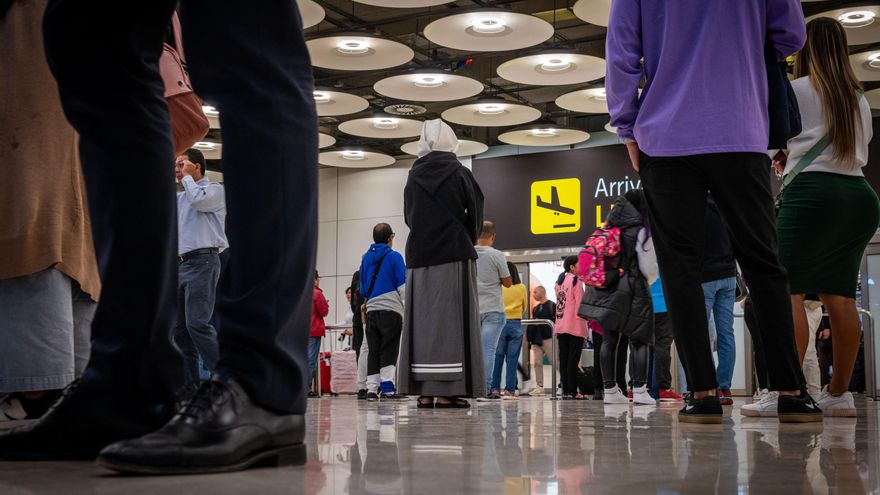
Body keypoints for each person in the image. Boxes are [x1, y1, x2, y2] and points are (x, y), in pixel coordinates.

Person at [0, 0, 318, 473]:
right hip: (190, 262)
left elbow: (208, 206)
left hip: (204, 259)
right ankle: (131, 380)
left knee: (245, 34)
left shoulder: (205, 186)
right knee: (90, 41)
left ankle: (264, 380)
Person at [607, 0, 822, 423]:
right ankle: (790, 389)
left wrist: (626, 126)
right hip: (740, 127)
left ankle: (702, 393)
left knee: (680, 268)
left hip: (664, 137)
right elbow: (791, 34)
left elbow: (621, 54)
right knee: (763, 262)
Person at [755, 17, 879, 418]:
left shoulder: (795, 90)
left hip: (811, 194)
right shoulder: (858, 97)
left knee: (786, 290)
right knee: (839, 296)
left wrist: (781, 156)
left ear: (803, 49)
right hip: (858, 196)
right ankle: (839, 394)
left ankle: (786, 389)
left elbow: (773, 140)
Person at [0, 0, 98, 422]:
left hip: (27, 47)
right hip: (76, 58)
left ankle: (35, 389)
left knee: (30, 217)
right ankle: (56, 388)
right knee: (59, 226)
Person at [397, 119, 486, 409]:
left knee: (421, 323)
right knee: (454, 321)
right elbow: (475, 213)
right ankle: (450, 390)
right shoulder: (460, 172)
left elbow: (409, 217)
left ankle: (423, 390)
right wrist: (465, 237)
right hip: (453, 254)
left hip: (419, 258)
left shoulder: (413, 175)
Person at [580, 192, 655, 406]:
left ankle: (610, 390)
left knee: (609, 341)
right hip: (634, 291)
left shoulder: (606, 227)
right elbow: (649, 268)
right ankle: (640, 390)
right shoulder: (641, 230)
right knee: (639, 340)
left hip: (606, 291)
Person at [173, 148, 228, 385]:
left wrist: (186, 178)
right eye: (175, 166)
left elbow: (200, 202)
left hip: (204, 260)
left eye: (182, 164)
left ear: (197, 166)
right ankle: (189, 386)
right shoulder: (179, 198)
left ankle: (226, 377)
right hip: (179, 264)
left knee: (197, 323)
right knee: (180, 331)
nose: (178, 169)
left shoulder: (215, 190)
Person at [359, 223, 407, 401]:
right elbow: (403, 287)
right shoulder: (395, 257)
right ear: (390, 238)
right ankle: (387, 389)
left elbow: (363, 290)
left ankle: (371, 390)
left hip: (371, 310)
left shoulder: (365, 258)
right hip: (391, 310)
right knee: (389, 348)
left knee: (373, 350)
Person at [701, 197, 737, 406]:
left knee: (703, 334)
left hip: (705, 277)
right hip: (729, 276)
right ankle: (724, 387)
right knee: (726, 334)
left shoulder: (696, 211)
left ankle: (707, 387)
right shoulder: (728, 209)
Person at [474, 221, 512, 400]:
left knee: (474, 351)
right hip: (493, 310)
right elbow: (508, 282)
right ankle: (486, 389)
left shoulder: (469, 253)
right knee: (488, 350)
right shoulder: (497, 255)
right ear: (493, 236)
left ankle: (472, 387)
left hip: (474, 310)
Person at [491, 262, 528, 399]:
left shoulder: (498, 287)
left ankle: (494, 389)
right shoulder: (522, 287)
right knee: (512, 360)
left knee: (498, 359)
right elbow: (524, 307)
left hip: (500, 323)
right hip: (516, 324)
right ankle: (510, 391)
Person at [554, 256, 587, 399]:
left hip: (561, 325)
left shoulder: (559, 282)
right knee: (573, 359)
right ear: (572, 267)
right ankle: (573, 391)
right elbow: (581, 304)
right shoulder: (576, 281)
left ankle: (566, 390)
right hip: (574, 324)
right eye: (580, 264)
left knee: (565, 358)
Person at [651, 277, 682, 402]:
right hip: (664, 304)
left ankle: (639, 387)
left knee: (642, 347)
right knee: (663, 346)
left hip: (644, 305)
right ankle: (663, 389)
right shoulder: (667, 257)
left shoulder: (642, 256)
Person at [527, 286, 555, 396]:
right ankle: (540, 386)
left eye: (535, 292)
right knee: (537, 363)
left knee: (555, 362)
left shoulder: (552, 305)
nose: (533, 294)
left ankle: (563, 384)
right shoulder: (535, 308)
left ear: (542, 292)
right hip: (537, 340)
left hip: (549, 338)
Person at [308, 271, 329, 397]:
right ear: (315, 279)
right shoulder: (316, 293)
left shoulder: (299, 291)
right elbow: (324, 311)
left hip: (299, 330)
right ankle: (306, 388)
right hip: (313, 330)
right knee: (311, 360)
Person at [350, 271, 369, 400]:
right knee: (368, 350)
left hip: (359, 316)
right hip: (369, 316)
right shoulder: (369, 273)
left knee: (361, 350)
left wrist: (357, 311)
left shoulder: (357, 275)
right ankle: (370, 385)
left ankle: (362, 387)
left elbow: (353, 300)